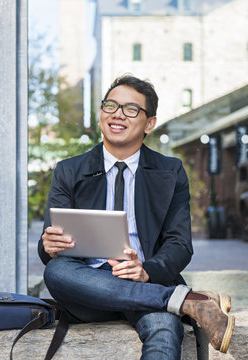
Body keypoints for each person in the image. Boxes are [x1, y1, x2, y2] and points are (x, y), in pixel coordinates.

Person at [38, 74, 235, 359]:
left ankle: (172, 301)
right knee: (56, 271)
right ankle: (187, 301)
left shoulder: (171, 172)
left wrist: (146, 271)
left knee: (165, 330)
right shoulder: (69, 170)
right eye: (110, 106)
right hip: (90, 287)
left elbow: (180, 244)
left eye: (131, 109)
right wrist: (49, 245)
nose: (117, 115)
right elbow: (48, 248)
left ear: (149, 123)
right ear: (101, 114)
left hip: (147, 280)